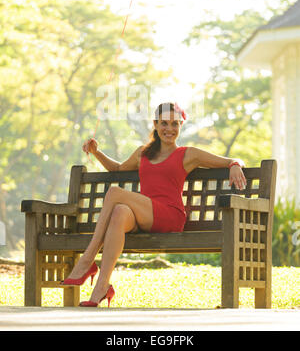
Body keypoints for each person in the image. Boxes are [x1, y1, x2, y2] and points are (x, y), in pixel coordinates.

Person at [62, 102, 246, 307]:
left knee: (114, 192)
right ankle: (102, 286)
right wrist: (97, 152)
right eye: (165, 123)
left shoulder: (188, 154)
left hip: (170, 215)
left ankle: (87, 260)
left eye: (175, 124)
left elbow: (231, 159)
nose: (170, 129)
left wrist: (235, 164)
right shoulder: (143, 153)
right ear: (156, 125)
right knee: (120, 211)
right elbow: (118, 168)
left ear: (180, 125)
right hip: (146, 215)